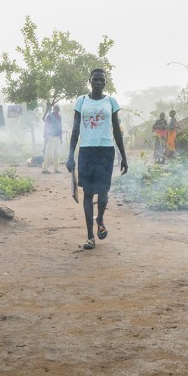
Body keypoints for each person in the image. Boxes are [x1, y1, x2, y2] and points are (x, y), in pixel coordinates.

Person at [65, 69, 129, 250]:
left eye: (102, 80)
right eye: (95, 80)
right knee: (87, 194)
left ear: (105, 82)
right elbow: (75, 130)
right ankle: (90, 236)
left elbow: (117, 130)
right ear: (90, 81)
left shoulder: (111, 101)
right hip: (86, 151)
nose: (98, 83)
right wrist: (70, 156)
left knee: (103, 193)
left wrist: (123, 156)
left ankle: (100, 218)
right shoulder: (81, 101)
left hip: (105, 151)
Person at [42, 104, 63, 174]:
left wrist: (61, 138)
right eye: (56, 108)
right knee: (49, 153)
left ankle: (56, 168)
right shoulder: (49, 116)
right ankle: (44, 169)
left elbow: (60, 128)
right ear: (54, 109)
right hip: (50, 136)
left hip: (57, 137)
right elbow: (46, 126)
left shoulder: (59, 117)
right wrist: (45, 136)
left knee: (56, 153)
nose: (57, 109)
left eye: (58, 108)